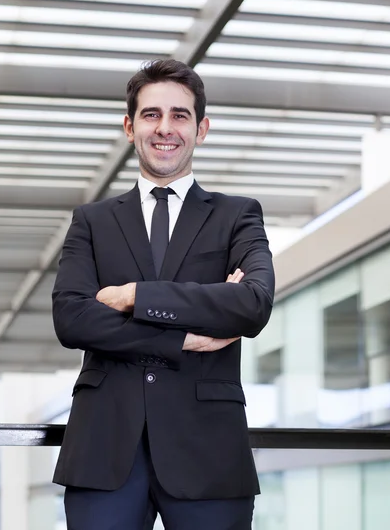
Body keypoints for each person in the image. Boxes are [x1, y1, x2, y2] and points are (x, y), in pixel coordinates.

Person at [51, 59, 275, 530]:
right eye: (151, 115)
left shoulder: (237, 216)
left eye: (180, 115)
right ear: (130, 127)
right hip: (103, 452)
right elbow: (72, 319)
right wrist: (182, 337)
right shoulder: (91, 222)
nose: (165, 128)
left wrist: (135, 295)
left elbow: (252, 304)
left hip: (208, 453)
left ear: (202, 128)